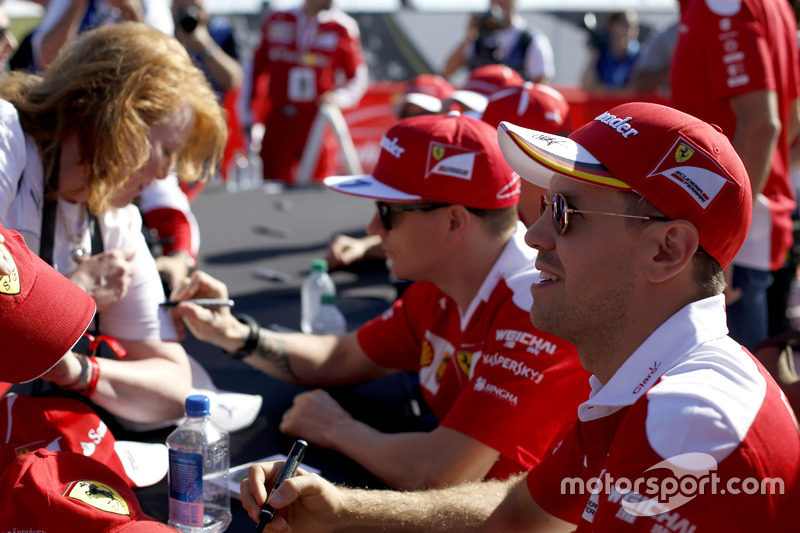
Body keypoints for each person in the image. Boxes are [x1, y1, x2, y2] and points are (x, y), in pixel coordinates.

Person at [239, 102, 800, 531]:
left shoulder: (684, 420)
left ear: (666, 251)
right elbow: (521, 513)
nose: (533, 235)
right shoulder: (640, 379)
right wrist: (344, 511)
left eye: (564, 212)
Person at [171, 112, 589, 490]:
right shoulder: (447, 281)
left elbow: (440, 472)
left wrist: (339, 430)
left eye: (388, 211)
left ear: (454, 222)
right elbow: (345, 355)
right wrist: (236, 334)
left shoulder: (535, 308)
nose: (372, 227)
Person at [0, 22, 229, 428]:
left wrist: (76, 370)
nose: (164, 175)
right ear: (116, 116)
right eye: (165, 150)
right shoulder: (7, 137)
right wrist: (74, 293)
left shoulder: (115, 216)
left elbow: (176, 388)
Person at [671, 0, 800, 350]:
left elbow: (764, 126)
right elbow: (790, 117)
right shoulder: (775, 6)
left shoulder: (721, 5)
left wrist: (721, 243)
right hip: (745, 231)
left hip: (726, 243)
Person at [325, 74, 455, 271]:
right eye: (408, 116)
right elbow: (411, 237)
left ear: (450, 115)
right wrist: (363, 245)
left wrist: (364, 246)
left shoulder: (459, 173)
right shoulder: (409, 165)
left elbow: (435, 245)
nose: (415, 124)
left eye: (426, 114)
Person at [247, 0, 368, 186]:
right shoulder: (277, 18)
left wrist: (338, 98)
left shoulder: (343, 26)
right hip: (278, 119)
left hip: (316, 121)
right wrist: (248, 116)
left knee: (316, 188)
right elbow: (254, 70)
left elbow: (358, 78)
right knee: (270, 187)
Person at [442, 0, 555, 83]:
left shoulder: (533, 41)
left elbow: (540, 87)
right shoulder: (475, 35)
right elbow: (447, 71)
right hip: (479, 110)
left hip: (512, 109)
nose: (499, 2)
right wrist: (469, 37)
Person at [580, 10, 641, 94]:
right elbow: (587, 85)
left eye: (633, 26)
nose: (630, 30)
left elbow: (637, 89)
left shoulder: (640, 55)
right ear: (612, 25)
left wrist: (608, 92)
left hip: (630, 106)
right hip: (602, 106)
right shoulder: (601, 54)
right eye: (626, 24)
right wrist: (593, 55)